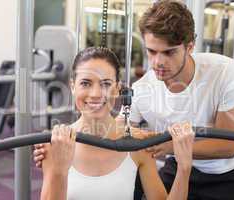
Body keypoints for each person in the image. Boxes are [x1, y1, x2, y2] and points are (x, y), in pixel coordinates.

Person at [128, 0, 234, 200]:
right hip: (180, 166)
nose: (158, 62)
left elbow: (228, 146)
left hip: (232, 176)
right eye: (152, 51)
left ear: (190, 46)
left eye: (169, 52)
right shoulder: (142, 89)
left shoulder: (225, 72)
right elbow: (122, 130)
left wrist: (170, 146)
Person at [39, 46, 195, 200]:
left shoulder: (138, 144)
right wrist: (59, 170)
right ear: (73, 87)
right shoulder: (55, 144)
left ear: (117, 89)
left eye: (106, 84)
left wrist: (184, 168)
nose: (95, 94)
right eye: (85, 83)